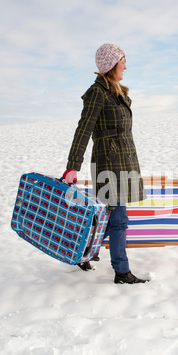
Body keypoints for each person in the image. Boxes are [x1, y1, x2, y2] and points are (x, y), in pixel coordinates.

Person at [63, 43, 149, 284]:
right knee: (118, 218)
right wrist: (72, 166)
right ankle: (121, 272)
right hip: (109, 165)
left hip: (123, 161)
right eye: (123, 60)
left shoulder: (117, 92)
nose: (126, 65)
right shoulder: (97, 93)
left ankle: (84, 253)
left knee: (108, 217)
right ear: (112, 64)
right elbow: (83, 129)